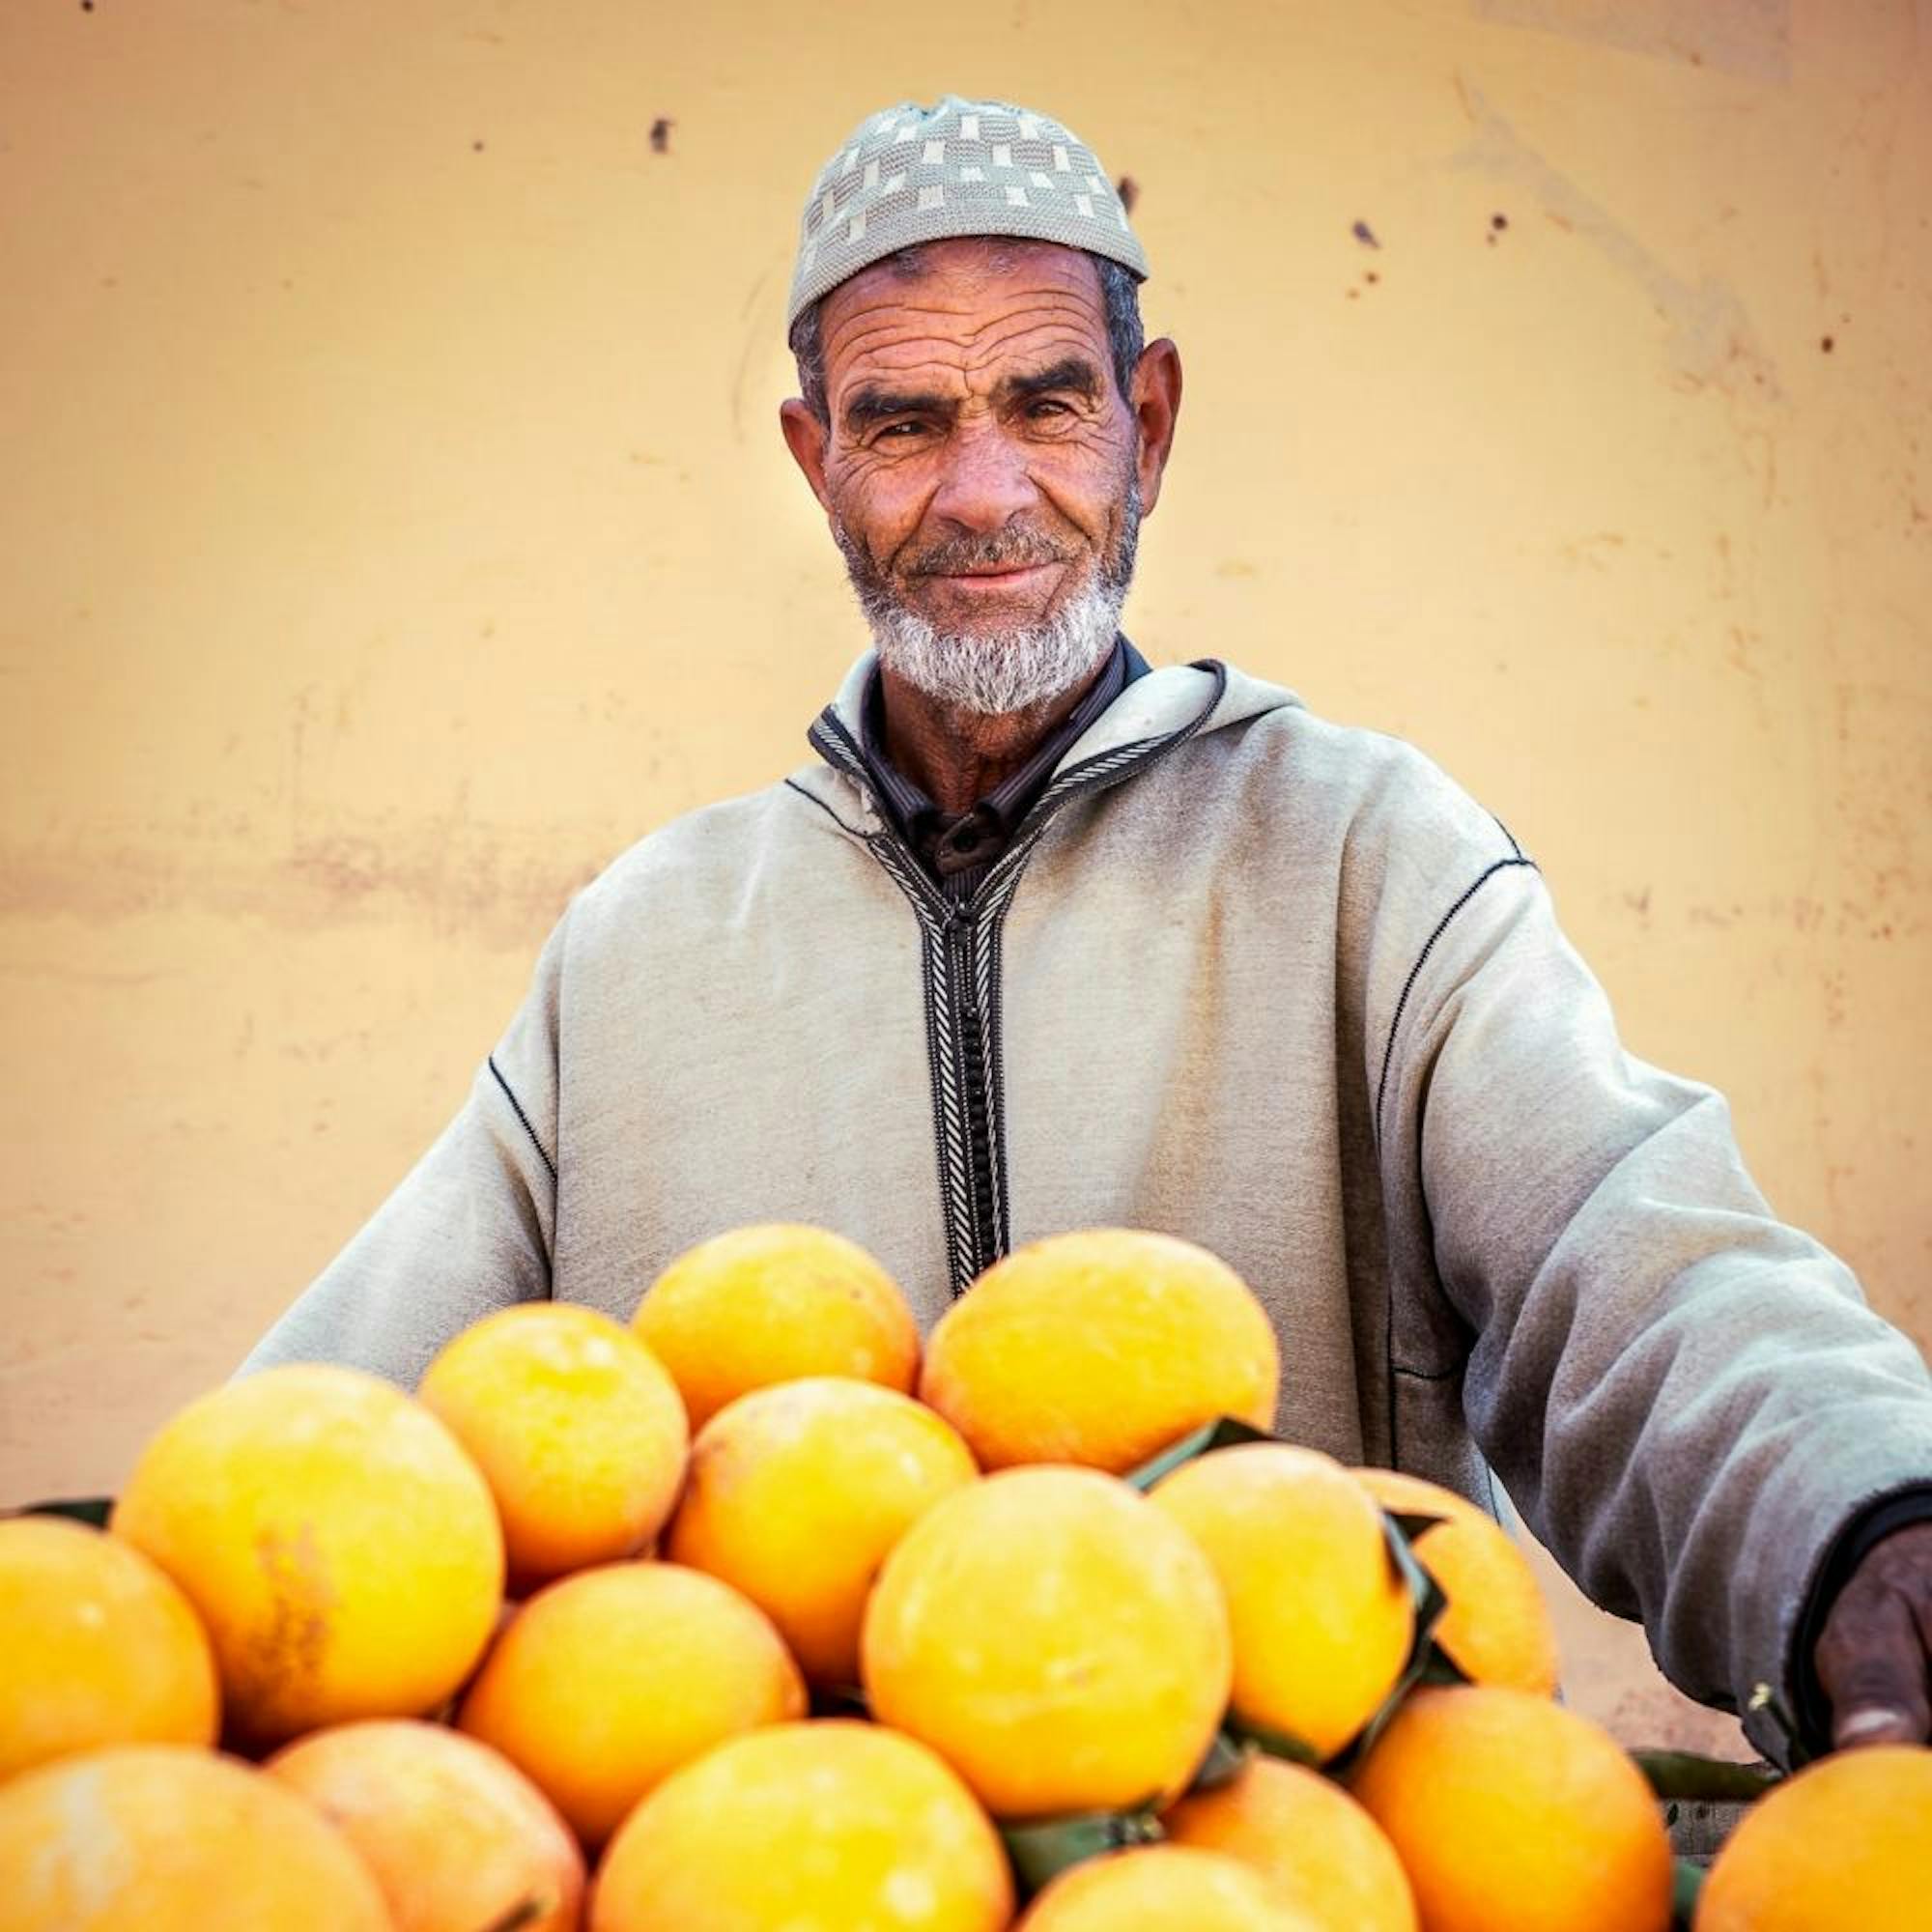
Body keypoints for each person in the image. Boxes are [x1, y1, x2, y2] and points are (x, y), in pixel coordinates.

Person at [242, 95, 1932, 1769]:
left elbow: (1632, 1262)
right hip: (795, 1874)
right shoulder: (639, 954)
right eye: (901, 425)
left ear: (1150, 418)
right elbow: (343, 1433)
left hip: (1295, 1871)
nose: (984, 496)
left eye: (1046, 404)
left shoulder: (1364, 854)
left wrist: (1863, 1520)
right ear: (814, 458)